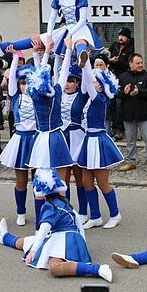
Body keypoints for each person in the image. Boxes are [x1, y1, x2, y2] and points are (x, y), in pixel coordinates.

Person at [0, 169, 113, 282]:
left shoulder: (50, 207)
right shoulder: (64, 201)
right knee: (25, 242)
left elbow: (44, 229)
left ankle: (97, 269)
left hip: (63, 239)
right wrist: (82, 243)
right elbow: (78, 221)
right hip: (71, 238)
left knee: (55, 268)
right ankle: (4, 237)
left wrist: (33, 251)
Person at [25, 47, 78, 226]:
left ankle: (41, 222)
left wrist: (41, 54)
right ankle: (65, 218)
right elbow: (61, 71)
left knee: (39, 184)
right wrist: (68, 50)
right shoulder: (56, 92)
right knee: (61, 183)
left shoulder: (33, 94)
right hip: (55, 139)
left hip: (40, 140)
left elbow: (41, 70)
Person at [78, 60, 124, 229]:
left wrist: (85, 64)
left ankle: (115, 214)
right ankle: (95, 216)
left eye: (97, 81)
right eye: (94, 80)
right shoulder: (90, 99)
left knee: (103, 183)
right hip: (87, 140)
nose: (93, 82)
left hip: (98, 141)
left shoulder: (100, 100)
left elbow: (88, 82)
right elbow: (86, 83)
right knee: (86, 182)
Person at [0, 54, 37, 225]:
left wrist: (36, 55)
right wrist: (15, 57)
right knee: (21, 181)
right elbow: (12, 76)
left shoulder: (38, 97)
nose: (25, 85)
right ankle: (21, 212)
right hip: (21, 140)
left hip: (36, 140)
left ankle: (41, 212)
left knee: (38, 181)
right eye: (22, 83)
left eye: (27, 82)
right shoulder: (15, 96)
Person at [58, 49, 90, 226]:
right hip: (62, 138)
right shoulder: (58, 93)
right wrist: (64, 54)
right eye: (67, 80)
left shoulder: (83, 94)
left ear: (77, 83)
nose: (68, 84)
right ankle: (67, 210)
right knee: (63, 179)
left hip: (77, 137)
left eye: (71, 81)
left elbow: (87, 78)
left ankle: (84, 211)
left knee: (80, 178)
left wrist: (84, 60)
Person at [118, 54, 147, 173]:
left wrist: (139, 92)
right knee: (130, 140)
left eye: (141, 62)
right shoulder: (123, 76)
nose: (140, 65)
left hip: (144, 115)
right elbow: (117, 93)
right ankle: (131, 161)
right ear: (131, 64)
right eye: (138, 63)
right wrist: (124, 93)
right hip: (128, 115)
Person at [107, 27, 133, 139]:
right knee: (111, 104)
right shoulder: (114, 46)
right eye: (120, 35)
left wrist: (119, 62)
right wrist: (109, 60)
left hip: (123, 78)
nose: (121, 38)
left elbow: (129, 64)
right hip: (112, 77)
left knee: (119, 106)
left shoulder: (131, 48)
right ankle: (113, 127)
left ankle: (120, 128)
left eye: (124, 36)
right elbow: (108, 57)